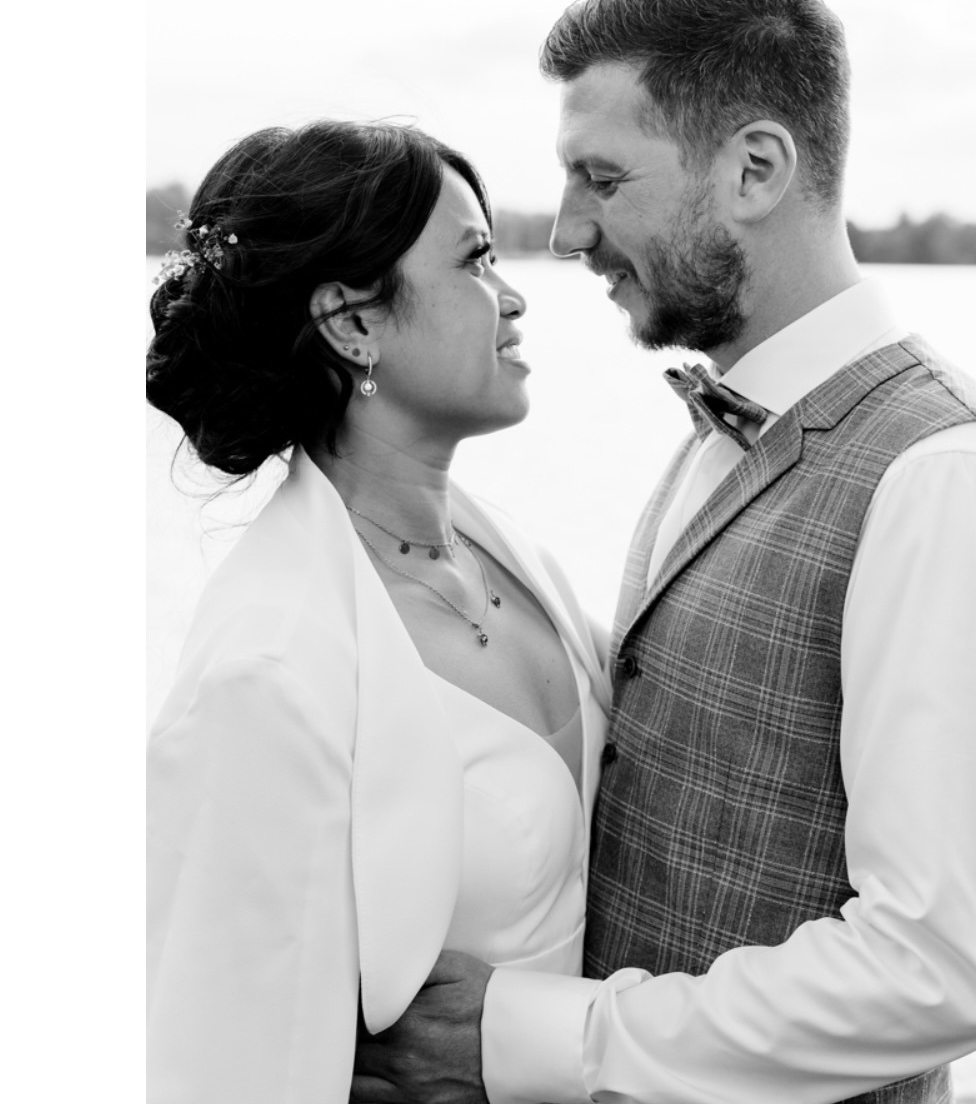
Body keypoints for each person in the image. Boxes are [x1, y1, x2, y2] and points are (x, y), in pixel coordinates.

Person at [351, 2, 976, 1102]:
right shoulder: (725, 422)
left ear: (754, 170)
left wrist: (524, 1039)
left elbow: (937, 969)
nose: (567, 233)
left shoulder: (935, 476)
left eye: (602, 178)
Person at [145, 120, 611, 1103]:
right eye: (475, 260)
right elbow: (226, 1068)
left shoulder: (514, 556)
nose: (514, 295)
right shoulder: (270, 669)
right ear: (353, 323)